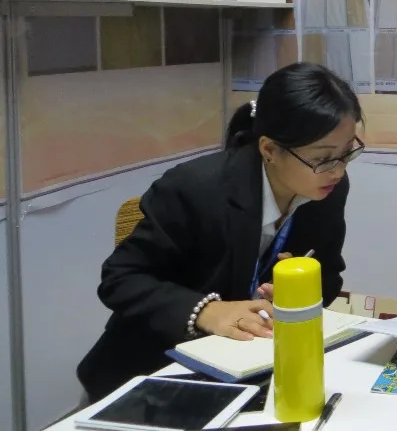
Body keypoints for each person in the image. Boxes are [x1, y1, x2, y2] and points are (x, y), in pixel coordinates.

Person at [76, 62, 364, 402]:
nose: (338, 171)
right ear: (269, 150)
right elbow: (120, 278)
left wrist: (296, 294)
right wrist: (206, 311)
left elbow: (329, 273)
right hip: (150, 378)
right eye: (324, 158)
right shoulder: (196, 188)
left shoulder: (327, 190)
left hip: (249, 370)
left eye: (347, 152)